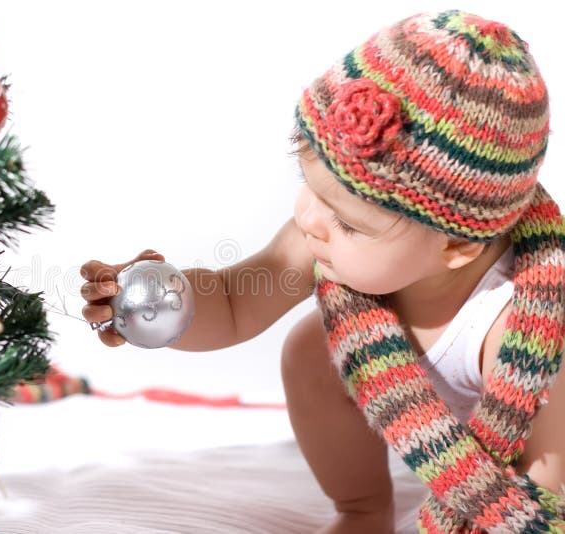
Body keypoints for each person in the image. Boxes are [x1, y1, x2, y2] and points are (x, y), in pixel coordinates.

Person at [80, 10, 565, 533]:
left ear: (454, 244)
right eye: (310, 184)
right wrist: (167, 302)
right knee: (311, 348)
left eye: (348, 222)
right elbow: (234, 302)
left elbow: (541, 471)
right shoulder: (321, 240)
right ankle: (361, 506)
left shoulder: (514, 322)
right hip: (420, 422)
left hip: (527, 432)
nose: (310, 219)